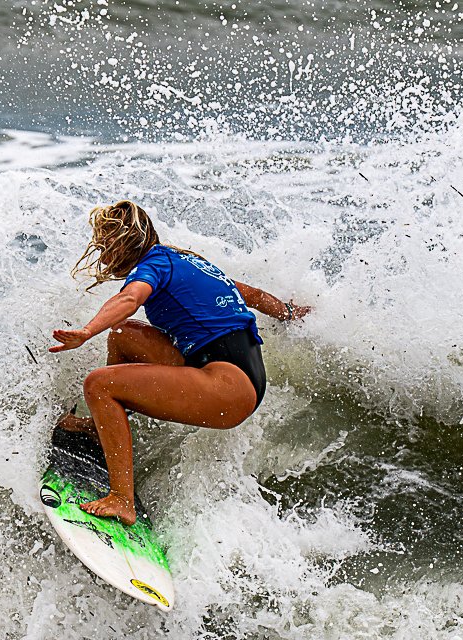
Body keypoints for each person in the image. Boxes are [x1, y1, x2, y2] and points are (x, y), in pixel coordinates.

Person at [49, 200, 310, 525]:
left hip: (228, 388)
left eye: (104, 245)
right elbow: (250, 294)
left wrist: (86, 332)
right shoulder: (187, 261)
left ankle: (121, 500)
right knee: (123, 334)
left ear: (121, 244)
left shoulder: (154, 266)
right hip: (233, 370)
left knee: (99, 385)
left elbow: (129, 299)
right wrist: (288, 312)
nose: (101, 254)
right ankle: (99, 430)